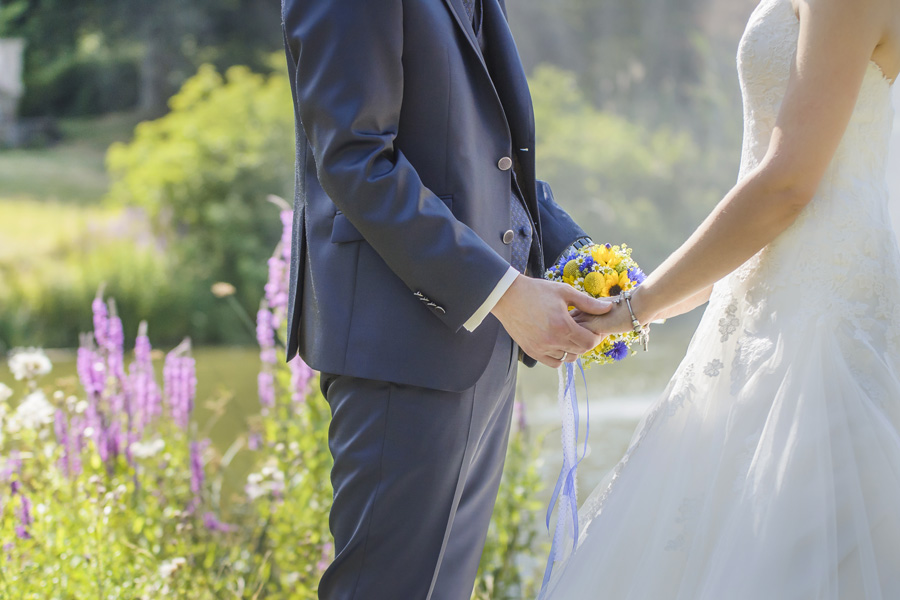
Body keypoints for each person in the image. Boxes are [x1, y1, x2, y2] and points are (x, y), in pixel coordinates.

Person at [543, 0, 900, 597]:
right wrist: (680, 291)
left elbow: (787, 183)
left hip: (820, 310)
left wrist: (638, 307)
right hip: (764, 289)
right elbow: (760, 171)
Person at [279, 0, 612, 598]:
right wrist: (506, 293)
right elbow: (355, 160)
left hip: (480, 348)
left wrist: (584, 261)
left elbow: (486, 158)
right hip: (400, 346)